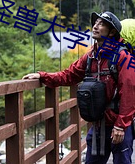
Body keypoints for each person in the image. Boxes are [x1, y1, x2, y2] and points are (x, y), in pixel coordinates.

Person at [22, 11, 135, 164]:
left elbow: (129, 92)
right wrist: (42, 76)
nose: (95, 26)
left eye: (101, 24)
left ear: (112, 31)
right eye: (95, 23)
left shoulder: (123, 57)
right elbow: (69, 75)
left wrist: (121, 126)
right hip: (98, 124)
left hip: (118, 125)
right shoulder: (90, 57)